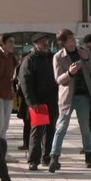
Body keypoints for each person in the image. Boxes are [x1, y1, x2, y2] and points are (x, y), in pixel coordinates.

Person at [51, 29, 91, 172]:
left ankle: (88, 156)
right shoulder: (58, 57)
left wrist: (87, 59)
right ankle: (54, 157)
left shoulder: (83, 52)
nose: (73, 41)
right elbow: (59, 79)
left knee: (85, 127)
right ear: (63, 42)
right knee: (61, 127)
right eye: (70, 39)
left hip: (83, 96)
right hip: (67, 97)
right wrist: (70, 73)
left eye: (73, 38)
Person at [19, 33, 59, 171]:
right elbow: (25, 82)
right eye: (42, 42)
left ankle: (46, 157)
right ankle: (33, 159)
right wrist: (31, 102)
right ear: (35, 44)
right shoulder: (30, 60)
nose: (46, 44)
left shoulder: (52, 58)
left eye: (46, 41)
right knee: (37, 131)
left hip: (52, 100)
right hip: (38, 101)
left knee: (51, 130)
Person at [14, 52, 30, 151]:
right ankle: (26, 143)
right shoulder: (18, 68)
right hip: (23, 98)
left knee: (31, 123)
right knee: (27, 122)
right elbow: (15, 81)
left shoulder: (30, 67)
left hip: (29, 97)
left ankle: (29, 144)